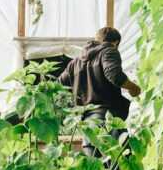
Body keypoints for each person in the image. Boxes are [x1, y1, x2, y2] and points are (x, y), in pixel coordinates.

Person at [58, 27, 141, 161]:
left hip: (87, 124)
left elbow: (59, 85)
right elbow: (114, 75)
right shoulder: (109, 51)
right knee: (120, 165)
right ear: (116, 42)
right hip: (108, 119)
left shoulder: (75, 62)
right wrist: (134, 88)